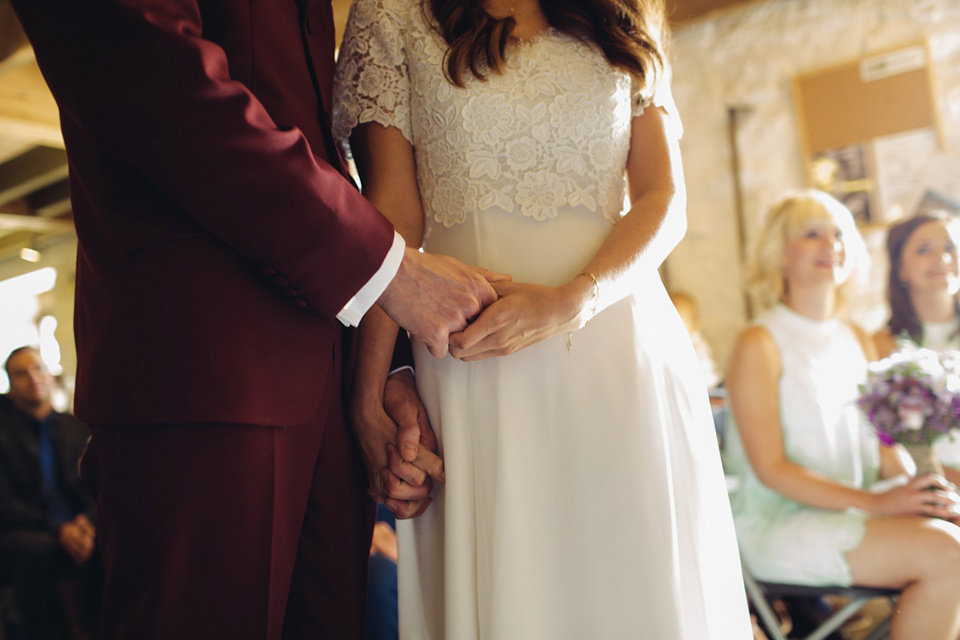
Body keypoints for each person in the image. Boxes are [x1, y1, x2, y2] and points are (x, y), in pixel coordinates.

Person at [7, 1, 500, 638]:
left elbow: (315, 139)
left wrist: (383, 367)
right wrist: (393, 273)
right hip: (203, 367)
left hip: (330, 372)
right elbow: (153, 82)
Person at [334, 0, 752, 637]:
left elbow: (665, 197)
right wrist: (368, 395)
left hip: (621, 352)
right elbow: (393, 211)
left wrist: (575, 300)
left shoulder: (624, 14)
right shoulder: (393, 14)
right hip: (477, 367)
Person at [724, 190, 960, 640]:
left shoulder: (857, 337)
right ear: (780, 253)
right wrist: (877, 502)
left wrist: (919, 490)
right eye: (812, 234)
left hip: (856, 512)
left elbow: (884, 450)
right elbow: (770, 470)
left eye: (838, 235)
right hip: (781, 522)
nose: (829, 245)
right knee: (947, 556)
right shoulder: (760, 342)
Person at [0, 346, 102, 640]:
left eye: (38, 368)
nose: (33, 378)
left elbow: (97, 484)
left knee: (109, 537)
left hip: (75, 523)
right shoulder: (4, 430)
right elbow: (4, 503)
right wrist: (58, 528)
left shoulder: (75, 425)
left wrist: (87, 521)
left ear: (50, 374)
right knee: (37, 550)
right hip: (23, 527)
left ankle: (98, 627)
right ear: (10, 383)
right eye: (21, 373)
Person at [874, 212, 960, 485]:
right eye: (924, 249)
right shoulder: (883, 346)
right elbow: (889, 448)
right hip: (931, 488)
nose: (942, 258)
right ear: (901, 269)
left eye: (950, 247)